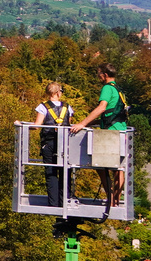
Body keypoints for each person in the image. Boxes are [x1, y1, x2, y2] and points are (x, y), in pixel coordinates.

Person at [71, 63, 128, 209]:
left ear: (105, 75)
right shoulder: (119, 90)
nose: (98, 76)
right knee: (118, 168)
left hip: (110, 133)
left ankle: (111, 198)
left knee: (101, 167)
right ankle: (116, 199)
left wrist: (82, 124)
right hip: (121, 130)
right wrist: (93, 122)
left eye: (99, 74)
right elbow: (112, 112)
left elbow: (102, 107)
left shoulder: (107, 88)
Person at [31, 82, 73, 205]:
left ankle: (53, 203)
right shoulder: (67, 107)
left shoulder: (43, 107)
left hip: (49, 142)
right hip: (65, 143)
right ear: (57, 93)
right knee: (66, 171)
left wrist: (23, 125)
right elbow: (69, 123)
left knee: (51, 172)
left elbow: (37, 126)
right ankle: (64, 201)